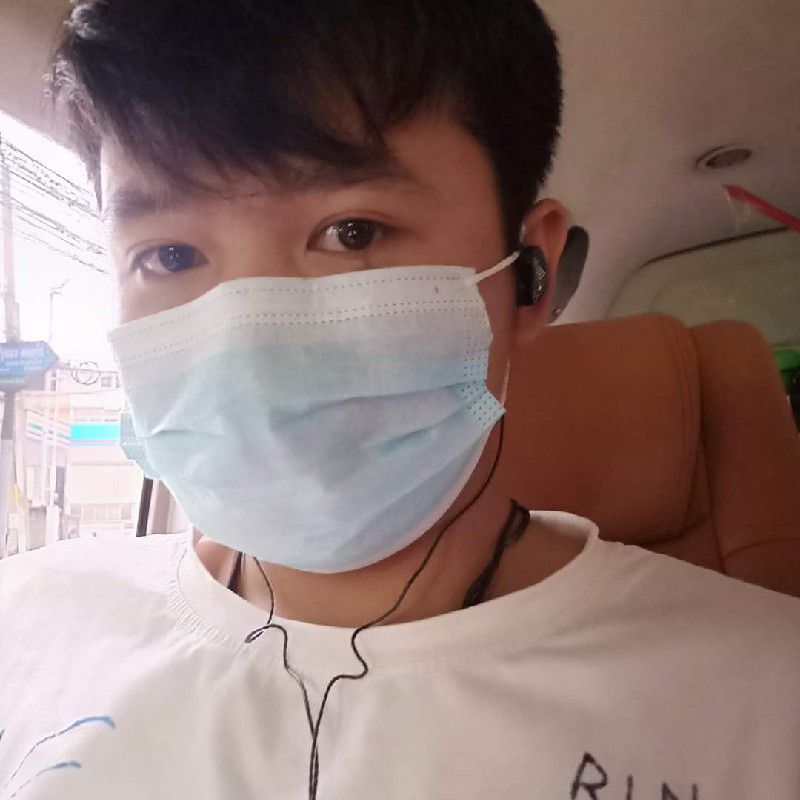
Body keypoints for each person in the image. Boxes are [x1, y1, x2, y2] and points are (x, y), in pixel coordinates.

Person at [1, 1, 798, 798]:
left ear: (532, 276)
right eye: (170, 255)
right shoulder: (28, 625)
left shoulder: (761, 698)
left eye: (352, 232)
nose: (250, 338)